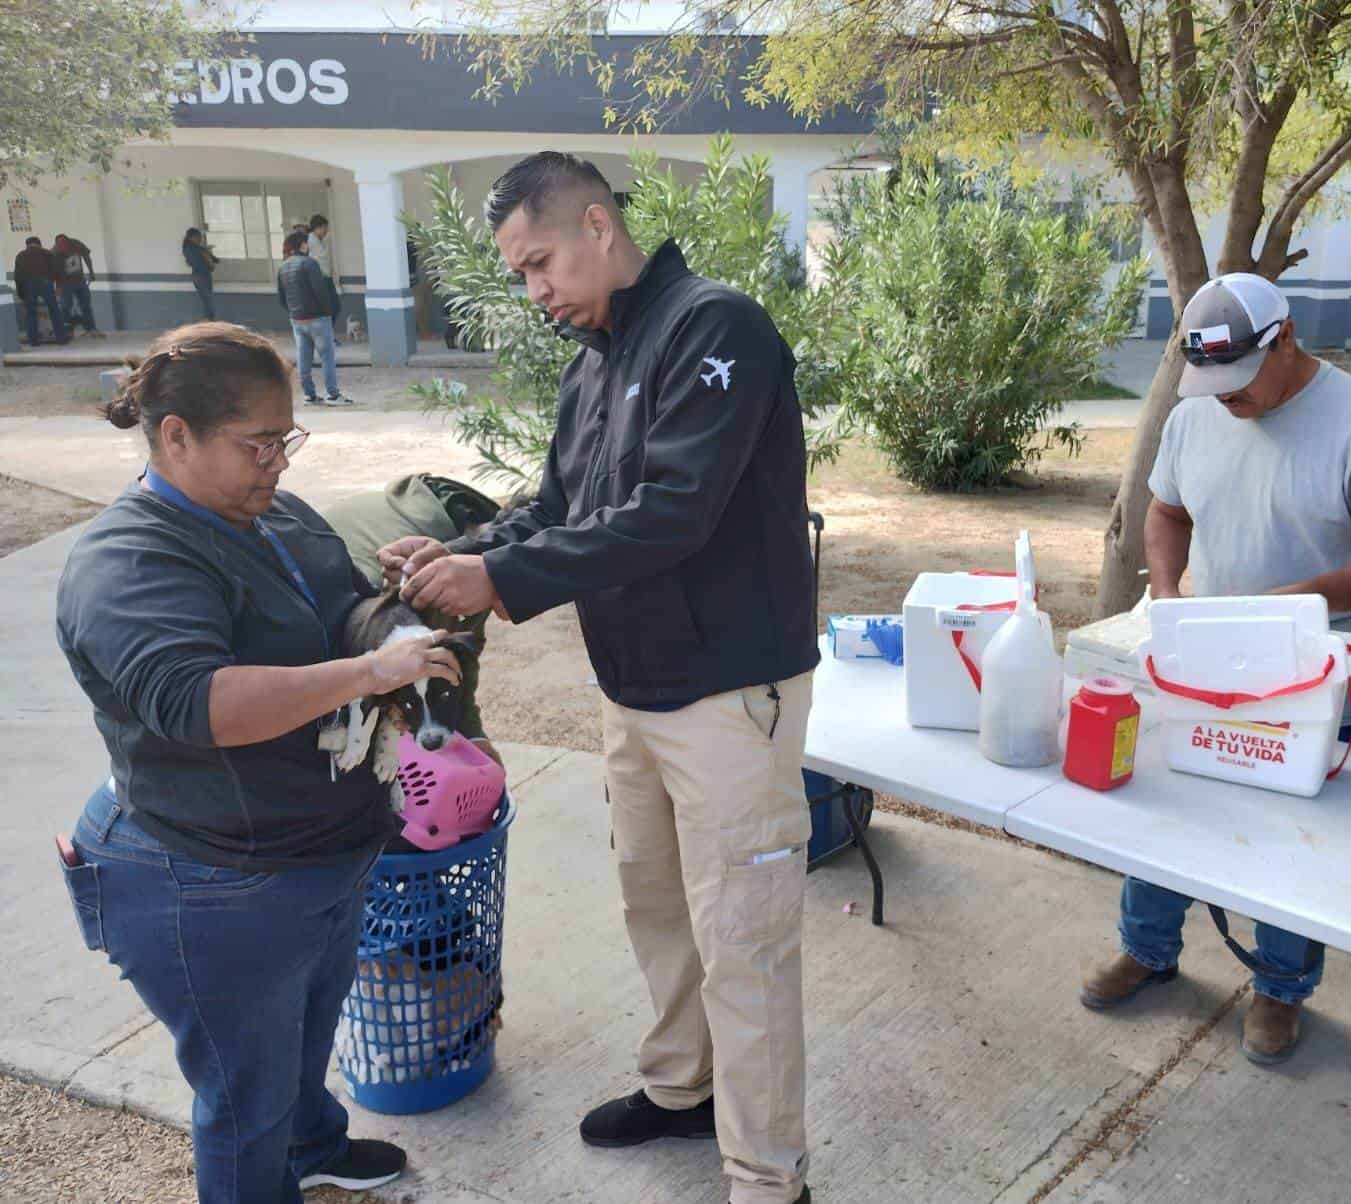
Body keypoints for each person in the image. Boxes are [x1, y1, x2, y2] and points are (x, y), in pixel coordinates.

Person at [380, 152, 820, 1204]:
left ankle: (768, 1174)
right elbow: (557, 511)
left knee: (743, 940)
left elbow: (674, 512)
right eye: (521, 274)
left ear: (594, 222)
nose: (534, 292)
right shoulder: (593, 364)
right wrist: (464, 554)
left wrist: (503, 577)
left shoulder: (717, 330)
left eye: (538, 264)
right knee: (658, 906)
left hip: (727, 692)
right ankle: (681, 1090)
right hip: (635, 688)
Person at [55, 322, 461, 1202]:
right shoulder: (129, 557)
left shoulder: (268, 511)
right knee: (244, 1095)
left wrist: (381, 589)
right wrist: (368, 669)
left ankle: (311, 1142)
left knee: (303, 1036)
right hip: (207, 874)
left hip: (313, 844)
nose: (280, 461)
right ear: (175, 438)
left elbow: (329, 602)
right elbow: (198, 702)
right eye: (260, 443)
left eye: (288, 438)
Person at [1079, 273, 1351, 1064]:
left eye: (1238, 380)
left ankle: (1280, 987)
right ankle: (1148, 948)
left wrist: (1303, 598)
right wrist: (1169, 592)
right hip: (1207, 659)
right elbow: (1167, 510)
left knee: (1292, 836)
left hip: (1314, 677)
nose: (1225, 399)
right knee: (1172, 806)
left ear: (1285, 340)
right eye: (1210, 383)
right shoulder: (1194, 417)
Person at [320, 473, 507, 764]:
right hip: (342, 568)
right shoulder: (431, 578)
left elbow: (459, 659)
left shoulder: (475, 568)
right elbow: (352, 655)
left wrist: (472, 734)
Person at [277, 231, 352, 406]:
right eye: (306, 243)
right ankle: (333, 395)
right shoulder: (310, 264)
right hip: (318, 318)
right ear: (303, 245)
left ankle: (309, 395)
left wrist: (293, 313)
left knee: (303, 358)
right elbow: (321, 292)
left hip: (297, 319)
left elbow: (281, 298)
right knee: (327, 357)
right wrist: (328, 312)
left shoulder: (283, 267)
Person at [13, 235, 69, 346]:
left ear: (27, 245)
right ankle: (61, 339)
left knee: (31, 313)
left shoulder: (20, 255)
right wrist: (58, 287)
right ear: (39, 243)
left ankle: (33, 341)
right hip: (46, 282)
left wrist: (21, 293)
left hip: (27, 284)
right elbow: (57, 270)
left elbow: (17, 276)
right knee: (54, 310)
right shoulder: (47, 253)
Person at [53, 233, 101, 336]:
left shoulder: (77, 244)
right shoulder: (54, 252)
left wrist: (91, 272)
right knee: (65, 306)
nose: (63, 248)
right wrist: (58, 287)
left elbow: (86, 257)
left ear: (68, 242)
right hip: (64, 283)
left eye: (64, 245)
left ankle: (91, 328)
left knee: (85, 305)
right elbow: (54, 272)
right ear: (57, 245)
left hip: (80, 280)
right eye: (60, 246)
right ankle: (67, 330)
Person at [307, 214, 341, 331]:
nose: (326, 231)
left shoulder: (322, 241)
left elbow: (326, 260)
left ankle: (328, 334)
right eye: (325, 228)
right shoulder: (309, 241)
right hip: (318, 280)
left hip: (327, 278)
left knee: (335, 307)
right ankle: (325, 336)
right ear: (317, 228)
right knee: (325, 310)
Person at [182, 228, 219, 320]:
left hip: (199, 275)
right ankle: (210, 321)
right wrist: (210, 262)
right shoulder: (193, 248)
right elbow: (206, 263)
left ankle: (209, 321)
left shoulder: (192, 248)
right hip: (201, 275)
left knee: (206, 300)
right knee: (208, 300)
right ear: (192, 237)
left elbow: (214, 260)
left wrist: (208, 255)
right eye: (198, 237)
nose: (200, 239)